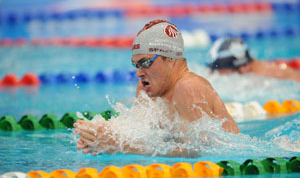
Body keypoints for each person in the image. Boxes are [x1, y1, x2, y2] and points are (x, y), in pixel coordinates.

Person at [74, 19, 239, 157]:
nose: (138, 73)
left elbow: (200, 152)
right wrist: (103, 136)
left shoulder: (188, 87)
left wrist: (122, 147)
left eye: (145, 63)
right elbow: (139, 131)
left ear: (170, 58)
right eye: (136, 65)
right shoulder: (147, 88)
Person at [206, 37, 300, 82]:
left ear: (243, 67)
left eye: (220, 71)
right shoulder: (251, 71)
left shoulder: (276, 74)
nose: (215, 74)